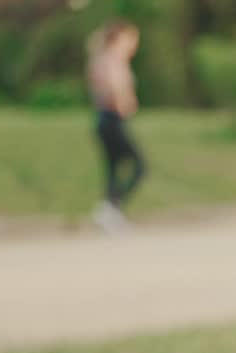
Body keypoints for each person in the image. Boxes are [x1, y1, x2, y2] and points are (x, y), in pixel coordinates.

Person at [87, 19, 145, 233]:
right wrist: (124, 102)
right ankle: (111, 208)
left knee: (113, 169)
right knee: (140, 165)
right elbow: (114, 89)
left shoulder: (101, 59)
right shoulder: (113, 61)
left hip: (102, 120)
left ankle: (110, 213)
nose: (134, 45)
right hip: (112, 119)